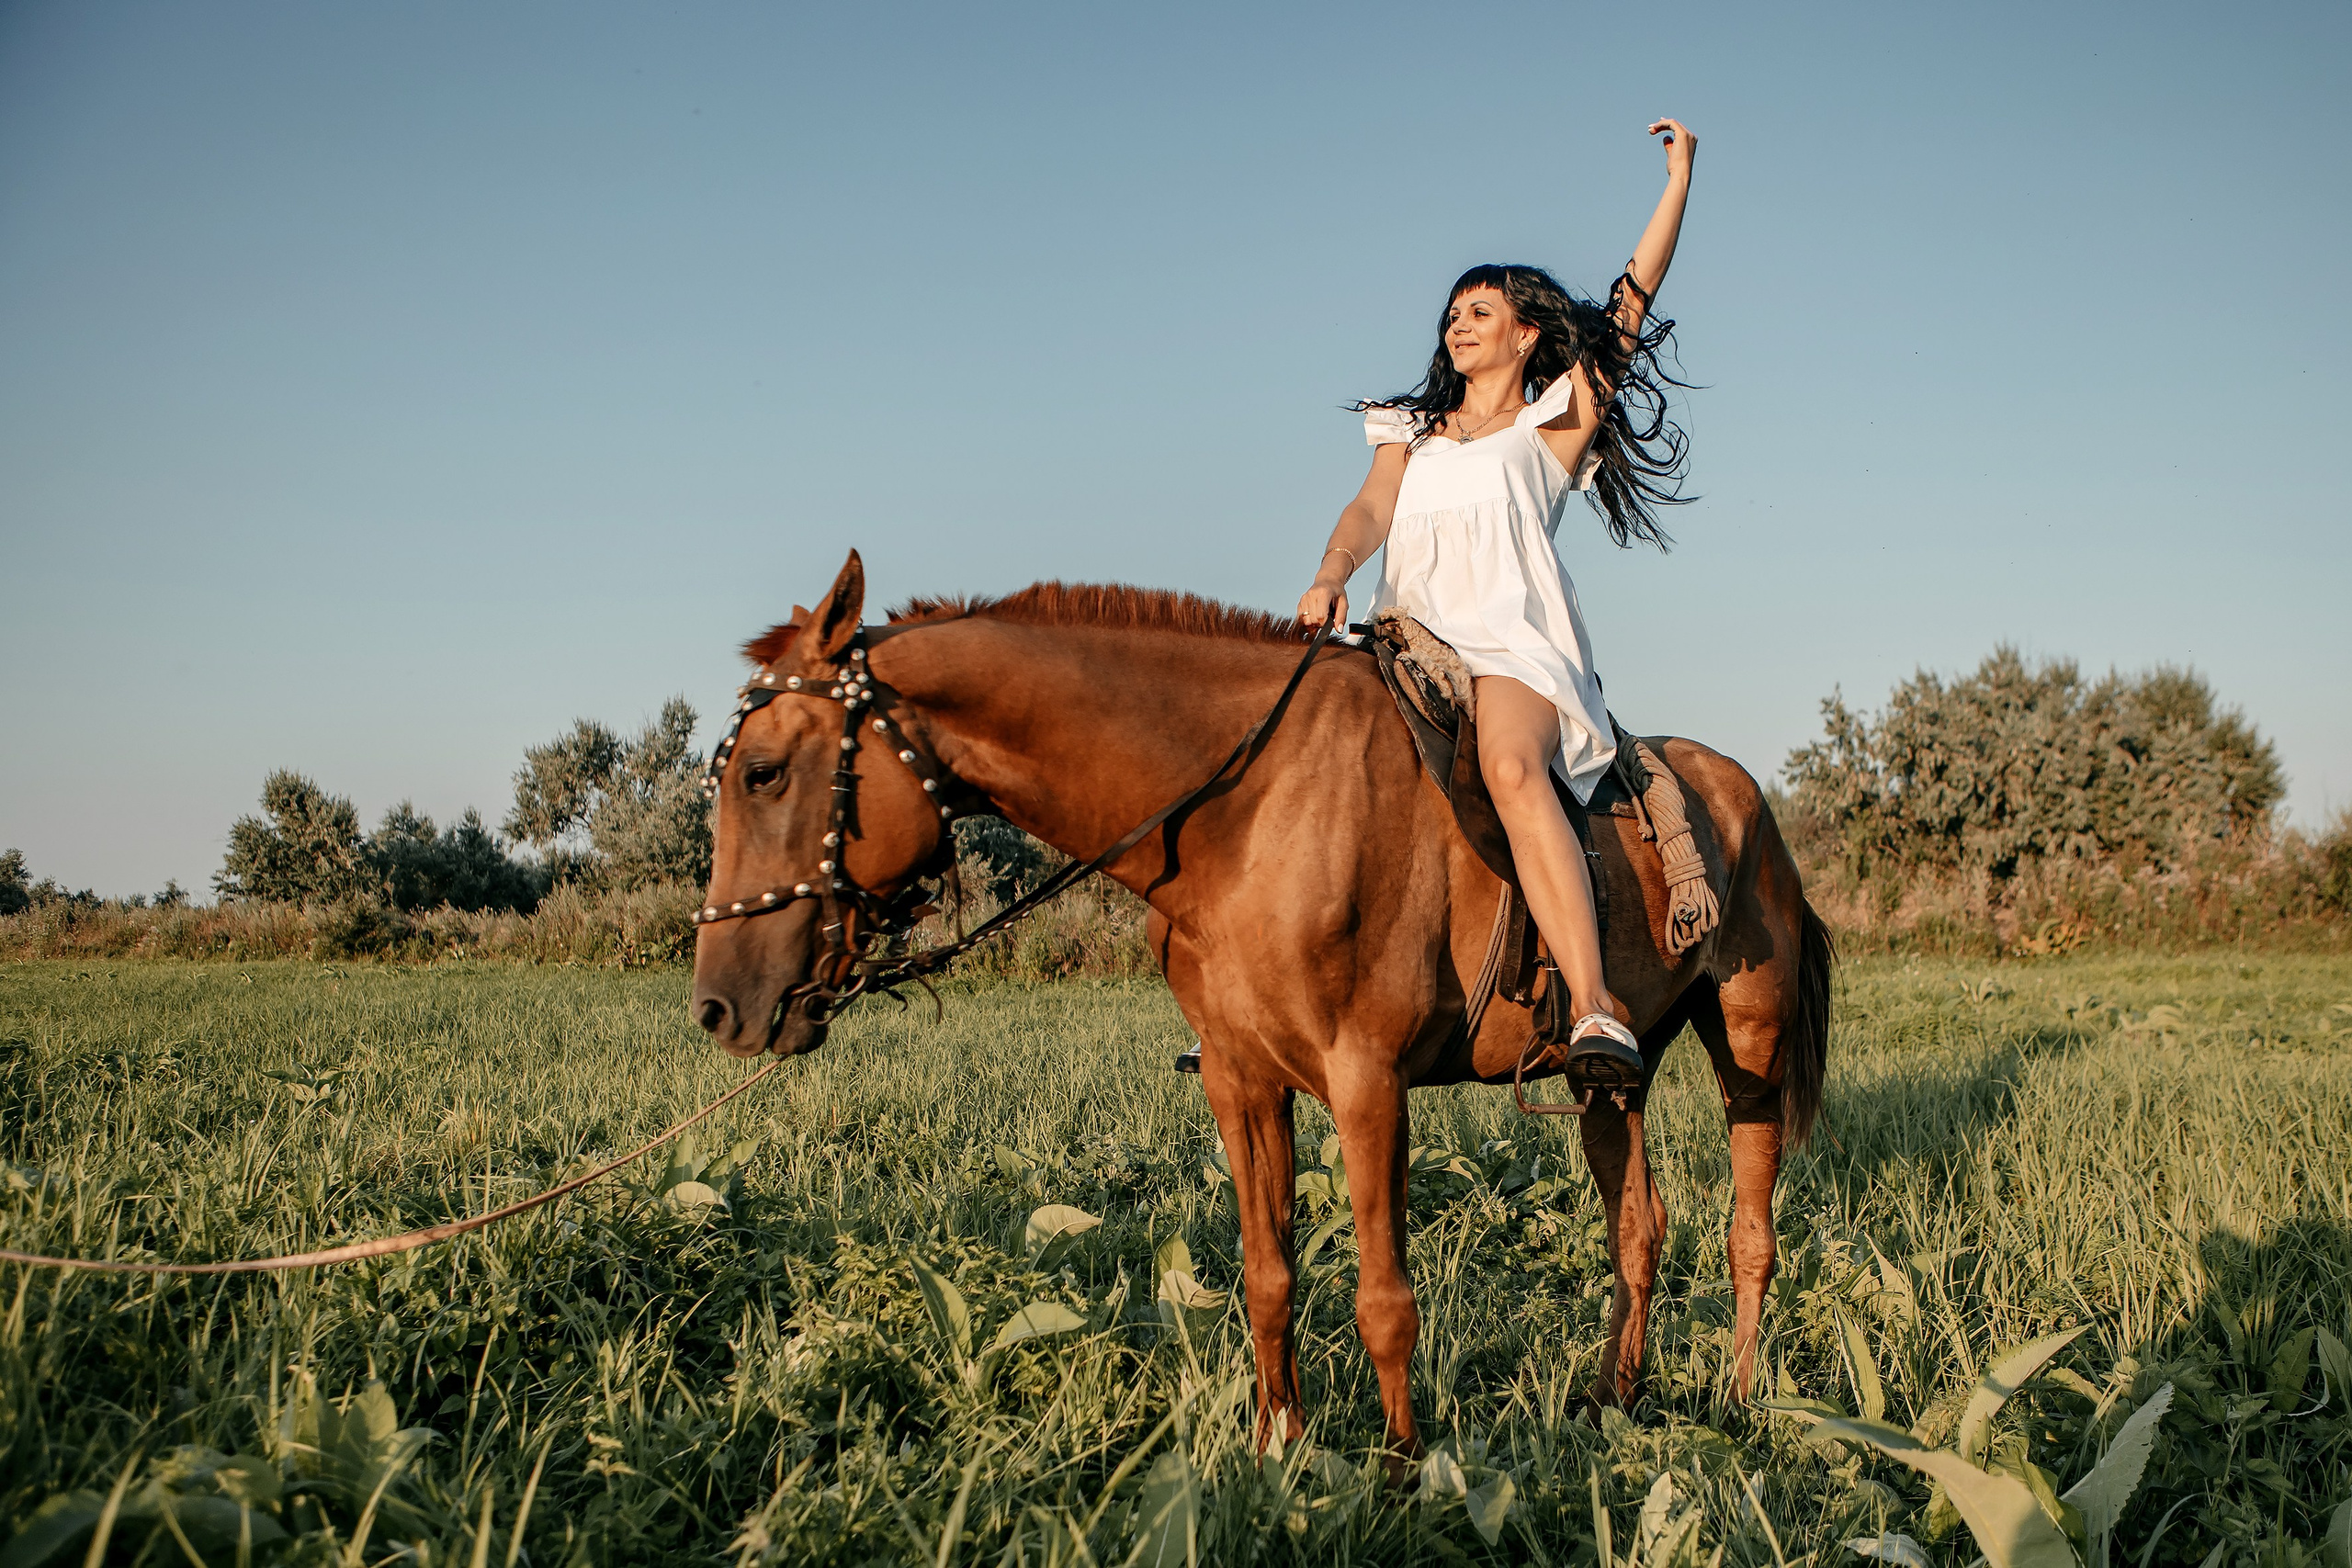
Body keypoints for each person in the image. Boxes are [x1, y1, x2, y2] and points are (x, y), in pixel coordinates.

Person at [1295, 118, 1699, 1091]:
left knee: (1514, 769)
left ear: (1526, 334)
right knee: (1308, 767)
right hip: (1409, 641)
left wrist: (1678, 182)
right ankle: (1278, 1006)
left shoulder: (1551, 425)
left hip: (1512, 649)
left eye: (1481, 310)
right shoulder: (1411, 430)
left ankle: (1596, 1004)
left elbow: (1629, 307)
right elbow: (1367, 509)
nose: (1458, 321)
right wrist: (1332, 568)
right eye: (1452, 312)